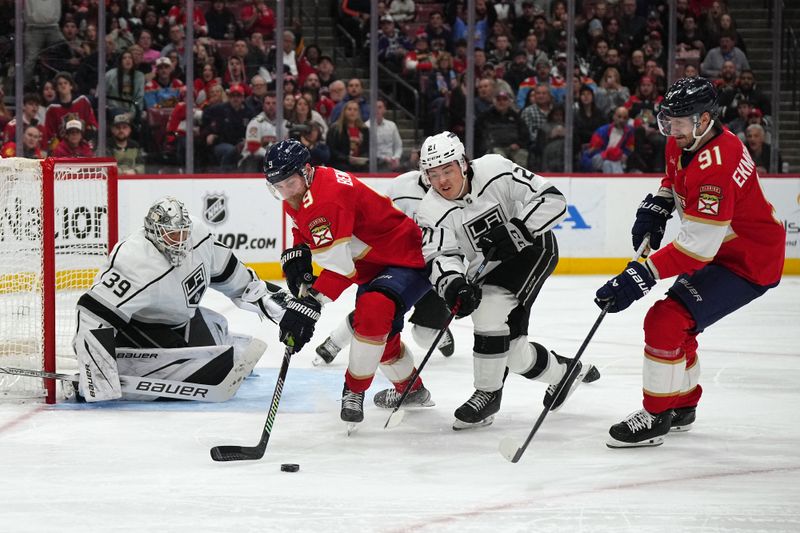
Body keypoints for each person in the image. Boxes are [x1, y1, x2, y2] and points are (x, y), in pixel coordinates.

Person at [595, 77, 786, 448]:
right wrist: (661, 201)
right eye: (668, 120)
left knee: (665, 320)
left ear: (704, 120)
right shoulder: (685, 137)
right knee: (679, 323)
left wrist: (641, 275)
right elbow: (675, 176)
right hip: (724, 248)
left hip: (747, 260)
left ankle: (656, 415)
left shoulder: (719, 161)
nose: (671, 129)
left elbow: (697, 248)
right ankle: (682, 404)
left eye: (679, 122)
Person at [414, 132, 599, 430]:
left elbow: (552, 199)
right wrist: (453, 284)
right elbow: (440, 255)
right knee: (512, 352)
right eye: (433, 175)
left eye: (447, 170)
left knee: (488, 311)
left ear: (463, 163)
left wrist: (519, 228)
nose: (442, 181)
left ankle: (487, 394)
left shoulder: (495, 168)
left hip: (533, 249)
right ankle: (564, 373)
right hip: (488, 269)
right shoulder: (430, 209)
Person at [263, 139, 434, 428]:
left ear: (305, 172)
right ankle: (411, 390)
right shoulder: (302, 188)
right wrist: (298, 252)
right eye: (277, 186)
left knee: (373, 310)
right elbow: (300, 223)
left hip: (405, 257)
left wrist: (310, 303)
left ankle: (353, 392)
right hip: (373, 263)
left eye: (288, 184)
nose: (285, 193)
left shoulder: (326, 200)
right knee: (379, 332)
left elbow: (340, 268)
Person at [73, 196, 290, 402]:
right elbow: (92, 313)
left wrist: (270, 303)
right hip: (138, 330)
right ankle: (122, 364)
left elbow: (231, 273)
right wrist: (96, 376)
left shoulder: (197, 235)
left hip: (181, 320)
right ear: (154, 232)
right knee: (215, 370)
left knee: (229, 355)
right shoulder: (135, 260)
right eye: (172, 235)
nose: (180, 242)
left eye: (182, 233)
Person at [314, 169, 457, 366]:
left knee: (423, 336)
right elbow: (379, 217)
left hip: (432, 269)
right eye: (431, 172)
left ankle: (438, 332)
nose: (438, 179)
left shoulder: (457, 194)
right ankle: (335, 342)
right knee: (373, 311)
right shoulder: (402, 185)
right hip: (397, 262)